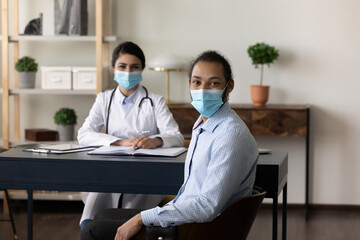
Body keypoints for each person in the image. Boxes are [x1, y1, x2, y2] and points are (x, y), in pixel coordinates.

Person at [81, 50, 259, 240]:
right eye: (197, 82)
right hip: (189, 217)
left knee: (94, 230)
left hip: (198, 229)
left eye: (214, 83)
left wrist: (142, 218)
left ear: (229, 86)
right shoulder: (204, 124)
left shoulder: (230, 134)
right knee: (101, 216)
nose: (203, 89)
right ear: (189, 84)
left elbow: (206, 206)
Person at [77, 41, 184, 230]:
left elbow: (176, 136)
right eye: (122, 66)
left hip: (145, 172)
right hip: (110, 170)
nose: (128, 72)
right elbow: (84, 134)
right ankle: (89, 230)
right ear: (113, 69)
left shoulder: (155, 101)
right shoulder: (104, 99)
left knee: (132, 221)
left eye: (134, 67)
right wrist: (119, 142)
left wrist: (157, 141)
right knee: (93, 214)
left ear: (142, 70)